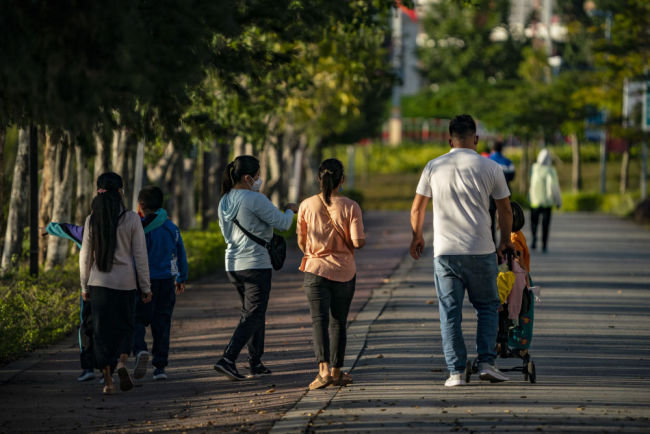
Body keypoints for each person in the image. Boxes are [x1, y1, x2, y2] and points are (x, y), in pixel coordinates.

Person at [410, 114, 514, 387]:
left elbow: (417, 207)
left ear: (449, 139)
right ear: (476, 139)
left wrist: (417, 236)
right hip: (481, 250)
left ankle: (456, 372)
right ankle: (487, 363)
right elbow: (505, 209)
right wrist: (505, 240)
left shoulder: (433, 166)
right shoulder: (491, 167)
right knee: (488, 307)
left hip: (445, 253)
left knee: (450, 311)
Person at [214, 155, 298, 381]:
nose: (260, 180)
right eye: (258, 176)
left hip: (233, 264)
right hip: (255, 264)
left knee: (254, 312)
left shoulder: (225, 200)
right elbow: (282, 223)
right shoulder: (254, 199)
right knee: (253, 314)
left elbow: (226, 234)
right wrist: (290, 209)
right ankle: (228, 358)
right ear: (248, 177)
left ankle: (255, 361)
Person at [79, 172, 152, 394]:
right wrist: (146, 287)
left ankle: (108, 382)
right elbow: (140, 256)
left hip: (98, 284)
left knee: (101, 333)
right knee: (125, 328)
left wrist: (84, 286)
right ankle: (122, 362)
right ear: (120, 191)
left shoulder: (92, 220)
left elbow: (85, 257)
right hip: (125, 284)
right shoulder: (131, 218)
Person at [297, 158, 365, 390]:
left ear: (319, 178)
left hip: (315, 270)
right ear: (342, 180)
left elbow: (301, 240)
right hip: (344, 272)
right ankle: (337, 372)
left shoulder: (306, 205)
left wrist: (316, 251)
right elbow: (357, 242)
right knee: (339, 322)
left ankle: (323, 371)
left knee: (319, 321)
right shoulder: (351, 206)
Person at [132, 186, 188, 381]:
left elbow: (136, 256)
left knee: (137, 319)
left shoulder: (141, 227)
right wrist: (181, 277)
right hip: (167, 282)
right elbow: (180, 253)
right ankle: (160, 368)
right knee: (162, 324)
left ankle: (140, 349)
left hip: (144, 282)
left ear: (141, 205)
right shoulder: (171, 227)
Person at [43, 223, 94, 382]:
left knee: (86, 326)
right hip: (114, 286)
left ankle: (88, 368)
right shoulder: (123, 225)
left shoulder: (85, 230)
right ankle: (109, 370)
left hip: (91, 288)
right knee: (110, 325)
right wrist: (161, 215)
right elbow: (148, 223)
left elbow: (64, 228)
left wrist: (48, 228)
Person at [529, 148, 562, 252]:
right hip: (547, 203)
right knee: (545, 224)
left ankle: (534, 239)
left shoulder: (533, 168)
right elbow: (554, 187)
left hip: (534, 201)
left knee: (534, 222)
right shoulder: (551, 170)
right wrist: (558, 202)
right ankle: (544, 244)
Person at [488, 140, 515, 243]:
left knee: (490, 217)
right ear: (502, 149)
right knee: (504, 214)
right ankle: (505, 240)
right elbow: (512, 176)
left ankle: (492, 241)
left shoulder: (488, 160)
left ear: (493, 149)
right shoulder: (508, 162)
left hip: (490, 193)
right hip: (505, 192)